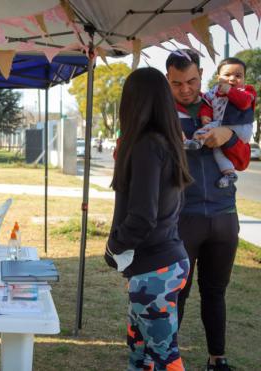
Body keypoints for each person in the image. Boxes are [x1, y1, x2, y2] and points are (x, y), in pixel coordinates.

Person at [166, 49, 251, 371]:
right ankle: (168, 356)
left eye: (191, 81)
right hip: (182, 217)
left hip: (224, 215)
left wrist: (227, 134)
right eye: (177, 83)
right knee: (179, 293)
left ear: (202, 75)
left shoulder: (219, 105)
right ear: (167, 81)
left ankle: (218, 358)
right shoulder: (160, 110)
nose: (185, 89)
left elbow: (241, 160)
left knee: (215, 292)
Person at [105, 67, 192, 371]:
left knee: (162, 356)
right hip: (163, 263)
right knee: (141, 354)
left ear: (134, 102)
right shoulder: (165, 143)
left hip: (156, 269)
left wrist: (114, 247)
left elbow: (142, 216)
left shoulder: (147, 145)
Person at [184, 57, 255, 188]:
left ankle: (196, 142)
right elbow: (206, 103)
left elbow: (244, 103)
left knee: (205, 131)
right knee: (218, 150)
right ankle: (229, 173)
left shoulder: (246, 91)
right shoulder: (214, 92)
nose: (233, 79)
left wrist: (229, 90)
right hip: (220, 124)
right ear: (218, 78)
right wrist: (205, 115)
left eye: (238, 76)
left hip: (238, 127)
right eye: (227, 75)